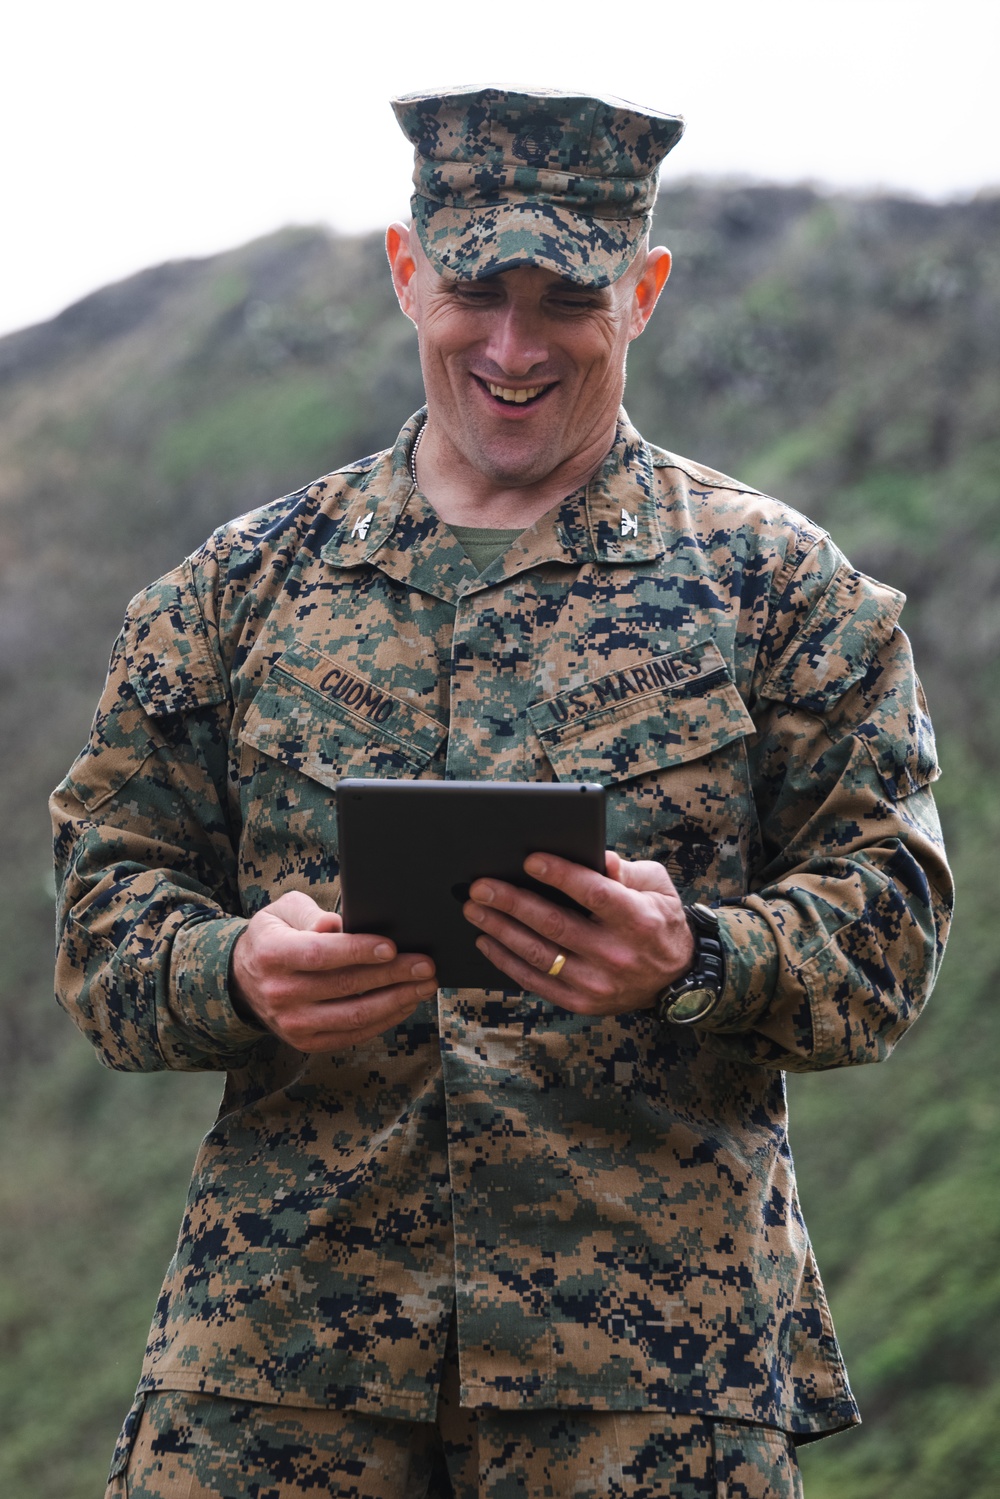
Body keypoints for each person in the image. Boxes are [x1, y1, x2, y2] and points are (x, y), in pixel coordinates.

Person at [51, 86, 953, 1499]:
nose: (513, 347)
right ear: (406, 272)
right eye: (476, 289)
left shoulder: (784, 593)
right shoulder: (235, 592)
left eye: (567, 299)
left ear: (643, 293)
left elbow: (892, 926)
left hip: (651, 1384)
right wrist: (233, 973)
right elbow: (103, 916)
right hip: (278, 1365)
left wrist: (697, 957)